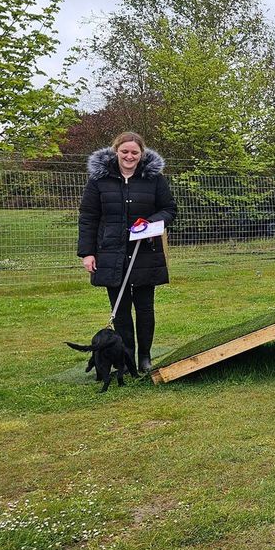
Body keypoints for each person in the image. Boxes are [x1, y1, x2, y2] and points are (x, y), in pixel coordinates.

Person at [77, 132, 178, 373]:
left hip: (145, 252)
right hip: (111, 253)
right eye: (125, 152)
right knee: (120, 309)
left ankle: (145, 356)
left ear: (141, 154)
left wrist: (150, 223)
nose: (129, 156)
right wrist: (87, 253)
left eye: (134, 152)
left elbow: (169, 210)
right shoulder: (98, 181)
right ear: (116, 152)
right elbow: (88, 218)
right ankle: (126, 357)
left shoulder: (154, 179)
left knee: (144, 307)